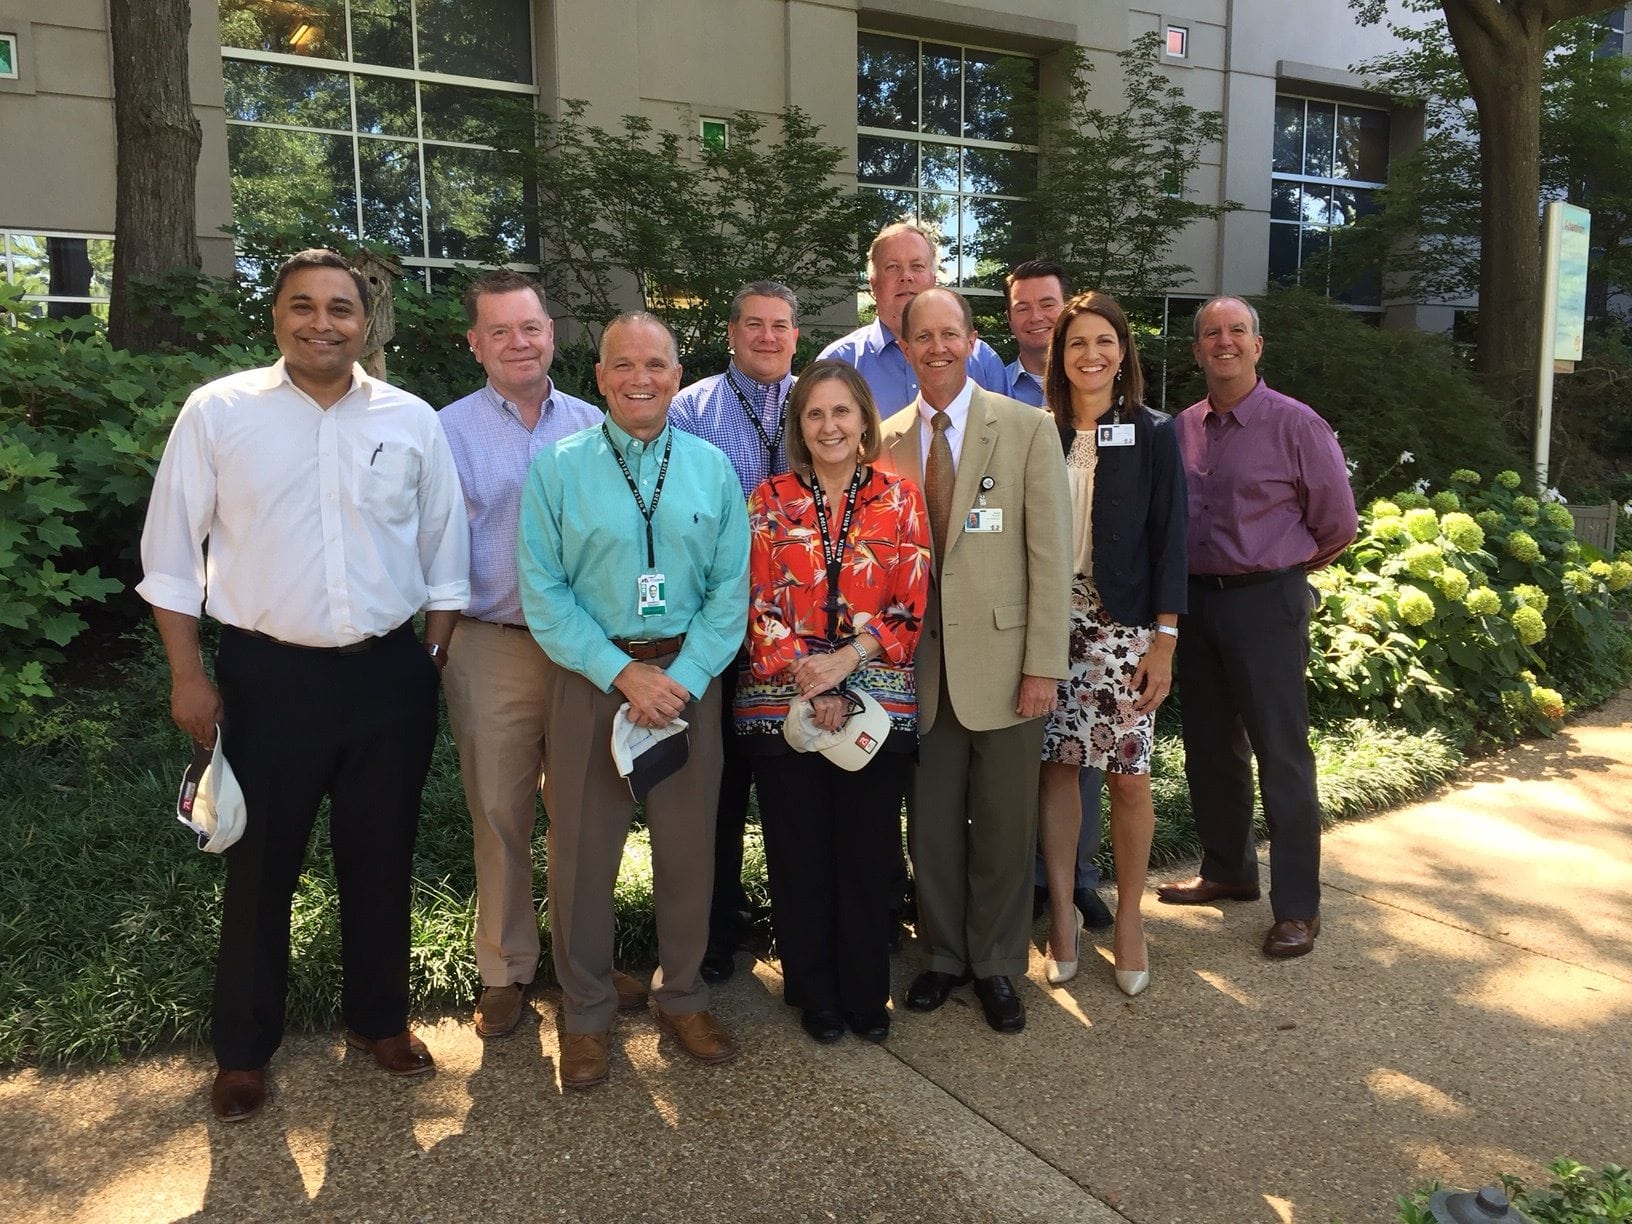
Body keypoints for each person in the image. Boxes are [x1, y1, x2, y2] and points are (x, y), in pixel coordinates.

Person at [138, 249, 470, 1124]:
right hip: (266, 678)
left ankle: (378, 1022)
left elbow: (445, 555)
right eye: (303, 306)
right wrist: (188, 675)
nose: (323, 322)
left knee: (381, 856)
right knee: (260, 869)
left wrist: (426, 661)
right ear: (276, 316)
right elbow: (170, 558)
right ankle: (244, 1053)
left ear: (368, 322)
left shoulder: (410, 420)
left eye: (341, 308)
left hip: (388, 677)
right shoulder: (219, 413)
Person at [517, 312, 750, 1089]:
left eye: (656, 364)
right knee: (582, 854)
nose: (640, 378)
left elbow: (731, 591)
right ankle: (584, 1011)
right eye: (623, 364)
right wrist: (622, 673)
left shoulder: (713, 469)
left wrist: (680, 677)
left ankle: (681, 994)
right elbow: (543, 594)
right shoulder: (558, 468)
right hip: (591, 682)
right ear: (601, 375)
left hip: (689, 679)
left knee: (690, 850)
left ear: (679, 375)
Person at [438, 270, 653, 1041]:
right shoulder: (448, 431)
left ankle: (584, 964)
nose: (517, 343)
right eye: (499, 331)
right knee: (499, 813)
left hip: (585, 653)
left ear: (551, 334)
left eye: (529, 327)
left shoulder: (597, 423)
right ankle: (505, 969)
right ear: (475, 344)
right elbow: (431, 550)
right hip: (491, 643)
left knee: (586, 816)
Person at [878, 287, 1072, 1035]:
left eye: (949, 334)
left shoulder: (1025, 428)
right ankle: (943, 957)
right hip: (919, 674)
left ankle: (996, 964)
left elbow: (1050, 560)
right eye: (921, 336)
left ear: (971, 340)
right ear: (905, 347)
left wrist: (1043, 666)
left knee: (1001, 824)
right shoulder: (884, 438)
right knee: (929, 828)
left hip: (1007, 664)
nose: (937, 348)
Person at [1156, 295, 1357, 959]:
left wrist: (1281, 572)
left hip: (1267, 602)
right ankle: (1228, 870)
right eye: (1211, 333)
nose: (1224, 342)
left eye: (1236, 331)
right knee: (1211, 747)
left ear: (1257, 345)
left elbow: (1337, 526)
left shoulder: (1296, 425)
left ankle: (1298, 907)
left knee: (1281, 753)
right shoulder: (1179, 429)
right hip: (1196, 603)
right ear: (1196, 350)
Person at [736, 360, 930, 1045]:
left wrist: (846, 665)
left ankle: (864, 993)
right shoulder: (767, 501)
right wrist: (811, 679)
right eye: (815, 414)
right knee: (799, 852)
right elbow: (757, 605)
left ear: (864, 420)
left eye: (841, 412)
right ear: (800, 426)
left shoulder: (901, 499)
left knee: (868, 850)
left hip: (875, 699)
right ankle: (814, 993)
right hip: (781, 700)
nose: (829, 426)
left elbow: (910, 607)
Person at [1035, 292, 1187, 996]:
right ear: (1058, 358)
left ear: (1124, 352)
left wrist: (1165, 639)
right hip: (1047, 624)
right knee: (1058, 768)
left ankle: (1129, 918)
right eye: (1076, 344)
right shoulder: (1039, 432)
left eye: (1104, 342)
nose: (1090, 354)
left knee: (1128, 778)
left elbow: (1172, 540)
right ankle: (1062, 915)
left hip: (1125, 628)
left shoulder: (1153, 432)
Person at [669, 280, 799, 984]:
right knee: (713, 789)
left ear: (795, 336)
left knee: (792, 784)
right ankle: (715, 931)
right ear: (731, 332)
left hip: (802, 634)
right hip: (716, 631)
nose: (768, 337)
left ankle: (794, 920)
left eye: (780, 326)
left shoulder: (818, 403)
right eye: (754, 325)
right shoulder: (691, 411)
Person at [1003, 259, 1114, 932]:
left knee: (1085, 749)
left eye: (1050, 304)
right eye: (1024, 306)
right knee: (1025, 748)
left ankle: (1080, 878)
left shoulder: (1120, 412)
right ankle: (1026, 879)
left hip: (1099, 605)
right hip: (1018, 593)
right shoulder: (992, 381)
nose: (1037, 316)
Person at [818, 221, 1008, 415]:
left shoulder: (983, 360)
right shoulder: (839, 362)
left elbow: (1010, 434)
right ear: (873, 284)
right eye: (892, 267)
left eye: (917, 266)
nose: (906, 276)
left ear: (933, 281)